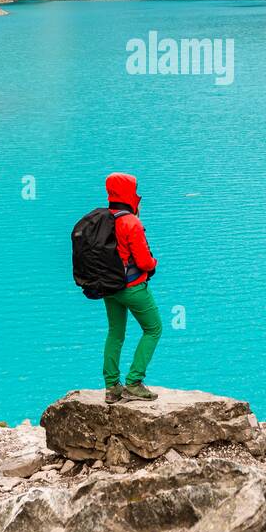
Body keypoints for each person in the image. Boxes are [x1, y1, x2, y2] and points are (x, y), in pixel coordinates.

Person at [102, 172, 162, 402]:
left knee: (115, 333)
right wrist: (154, 264)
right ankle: (134, 382)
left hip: (109, 288)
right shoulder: (131, 222)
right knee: (153, 329)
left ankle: (111, 387)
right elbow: (145, 261)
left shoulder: (103, 218)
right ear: (129, 192)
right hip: (133, 288)